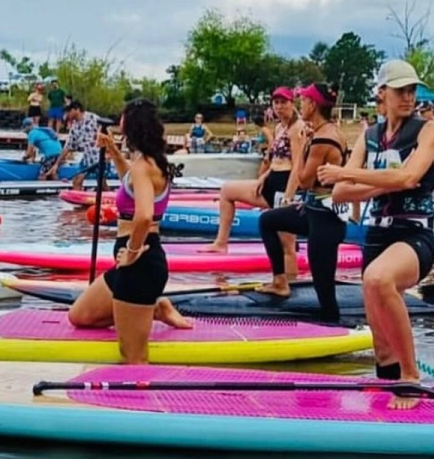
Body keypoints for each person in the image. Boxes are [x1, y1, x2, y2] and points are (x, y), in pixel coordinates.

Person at [320, 59, 434, 409]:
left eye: (412, 90)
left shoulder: (428, 131)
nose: (408, 97)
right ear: (382, 94)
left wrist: (354, 176)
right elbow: (340, 193)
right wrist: (377, 185)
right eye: (400, 90)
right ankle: (387, 383)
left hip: (415, 233)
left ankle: (410, 378)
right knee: (379, 335)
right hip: (376, 235)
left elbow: (408, 178)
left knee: (378, 278)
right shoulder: (370, 135)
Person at [68, 99, 192, 364]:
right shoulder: (150, 162)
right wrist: (113, 150)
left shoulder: (142, 166)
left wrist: (133, 252)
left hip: (140, 265)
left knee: (133, 357)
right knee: (79, 316)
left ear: (131, 129)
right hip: (138, 262)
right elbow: (131, 184)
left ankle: (138, 404)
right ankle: (156, 308)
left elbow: (145, 215)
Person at [254, 83, 349, 323]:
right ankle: (279, 281)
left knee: (324, 287)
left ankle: (332, 330)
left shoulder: (323, 138)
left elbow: (305, 180)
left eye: (304, 100)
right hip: (313, 211)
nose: (301, 105)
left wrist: (302, 144)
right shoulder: (324, 132)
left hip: (326, 220)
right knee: (268, 220)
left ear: (313, 105)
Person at [199, 87, 304, 275]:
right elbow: (275, 159)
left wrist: (288, 197)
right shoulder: (280, 127)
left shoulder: (297, 128)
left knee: (287, 245)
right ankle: (221, 243)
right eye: (276, 103)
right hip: (272, 179)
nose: (279, 107)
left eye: (283, 102)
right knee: (227, 191)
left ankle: (291, 286)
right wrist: (263, 177)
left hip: (285, 184)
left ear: (292, 103)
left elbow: (297, 165)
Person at [47, 100, 103, 191]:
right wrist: (56, 165)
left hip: (99, 156)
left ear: (76, 109)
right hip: (87, 158)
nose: (67, 115)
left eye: (69, 111)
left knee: (102, 183)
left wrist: (109, 152)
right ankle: (78, 203)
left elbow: (108, 131)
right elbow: (68, 147)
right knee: (76, 181)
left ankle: (112, 201)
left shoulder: (93, 118)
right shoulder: (74, 126)